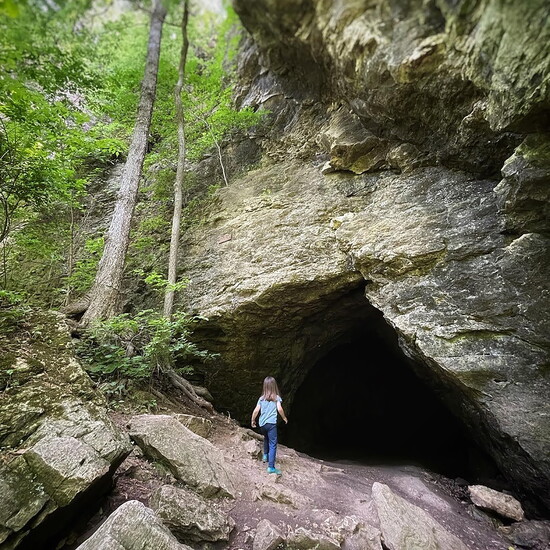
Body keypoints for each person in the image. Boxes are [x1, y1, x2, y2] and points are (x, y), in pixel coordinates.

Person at [251, 376, 288, 474]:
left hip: (262, 424)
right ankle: (271, 467)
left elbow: (256, 410)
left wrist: (253, 420)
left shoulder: (261, 399)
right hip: (271, 424)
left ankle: (265, 455)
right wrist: (284, 418)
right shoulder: (276, 398)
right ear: (274, 386)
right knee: (273, 444)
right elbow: (279, 409)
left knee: (266, 438)